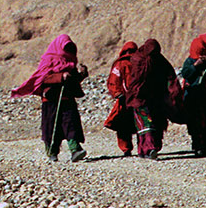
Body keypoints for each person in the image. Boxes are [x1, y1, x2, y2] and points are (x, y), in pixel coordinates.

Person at [11, 33, 89, 162]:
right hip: (51, 101)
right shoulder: (48, 60)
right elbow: (43, 78)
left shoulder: (70, 62)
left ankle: (75, 150)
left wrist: (81, 75)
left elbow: (73, 80)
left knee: (71, 124)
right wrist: (60, 77)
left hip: (67, 99)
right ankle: (52, 152)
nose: (68, 51)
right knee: (52, 127)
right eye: (66, 47)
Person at [120, 39, 180, 159]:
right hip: (139, 98)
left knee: (156, 123)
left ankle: (147, 149)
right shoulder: (138, 59)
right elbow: (135, 80)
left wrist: (173, 93)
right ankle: (149, 148)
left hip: (155, 98)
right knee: (146, 123)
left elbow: (170, 76)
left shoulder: (160, 60)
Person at [102, 41, 139, 156]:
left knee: (124, 126)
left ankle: (127, 148)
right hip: (135, 99)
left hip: (127, 99)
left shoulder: (120, 64)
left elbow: (113, 80)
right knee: (138, 124)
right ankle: (142, 148)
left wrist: (117, 92)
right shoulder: (137, 62)